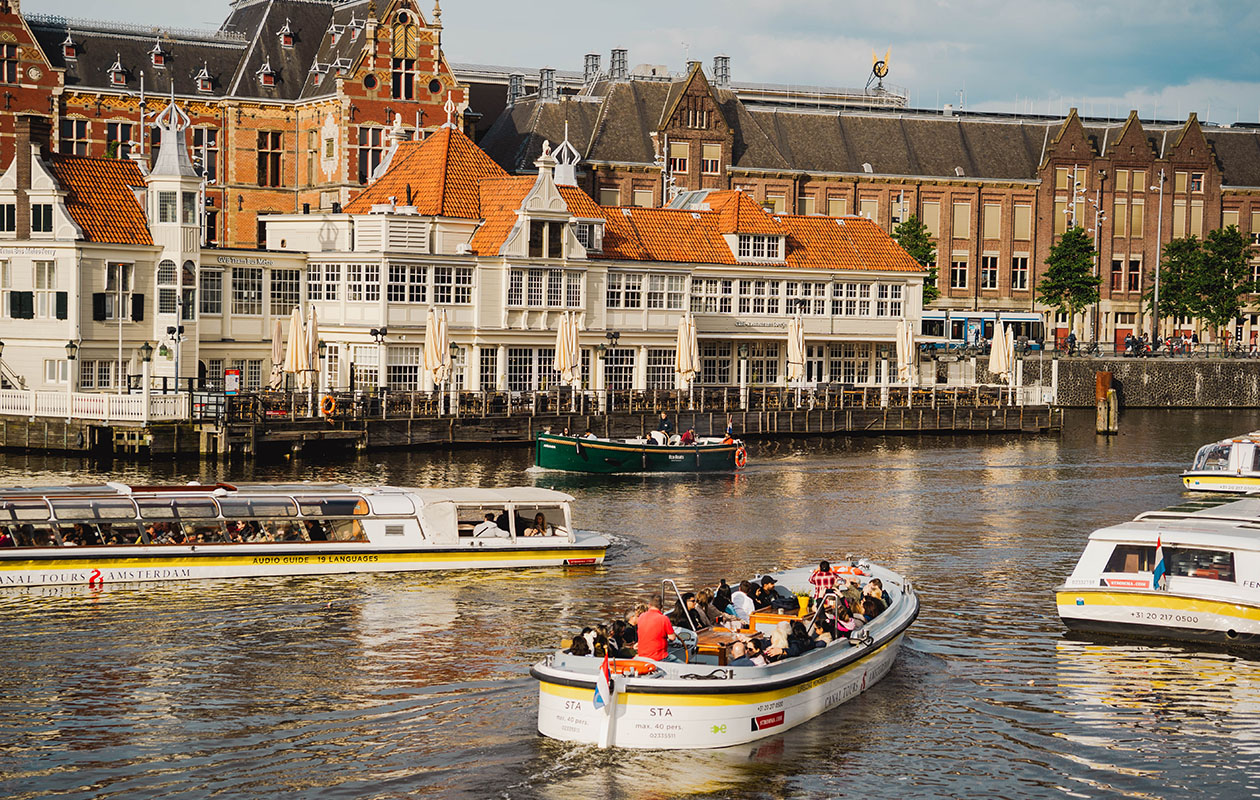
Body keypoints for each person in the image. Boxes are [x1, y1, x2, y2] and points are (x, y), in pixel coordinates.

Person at [636, 596, 678, 662]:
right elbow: (672, 637)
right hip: (659, 657)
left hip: (642, 655)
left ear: (649, 605)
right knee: (684, 665)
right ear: (661, 606)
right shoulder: (664, 619)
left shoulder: (641, 617)